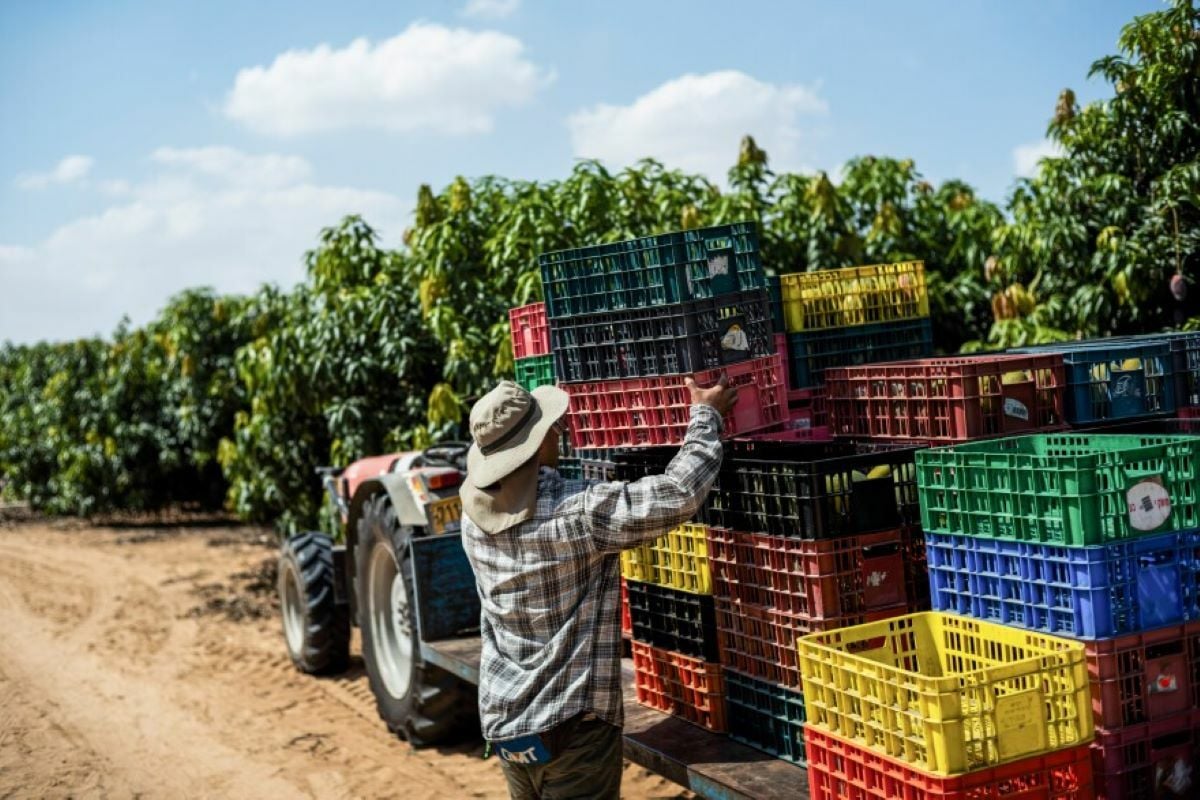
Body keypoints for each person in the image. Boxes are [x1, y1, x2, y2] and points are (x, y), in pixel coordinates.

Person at [459, 376, 738, 800]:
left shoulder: (472, 521)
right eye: (551, 429)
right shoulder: (578, 514)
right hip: (570, 733)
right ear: (535, 448)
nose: (559, 434)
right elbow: (678, 494)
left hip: (506, 726)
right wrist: (706, 416)